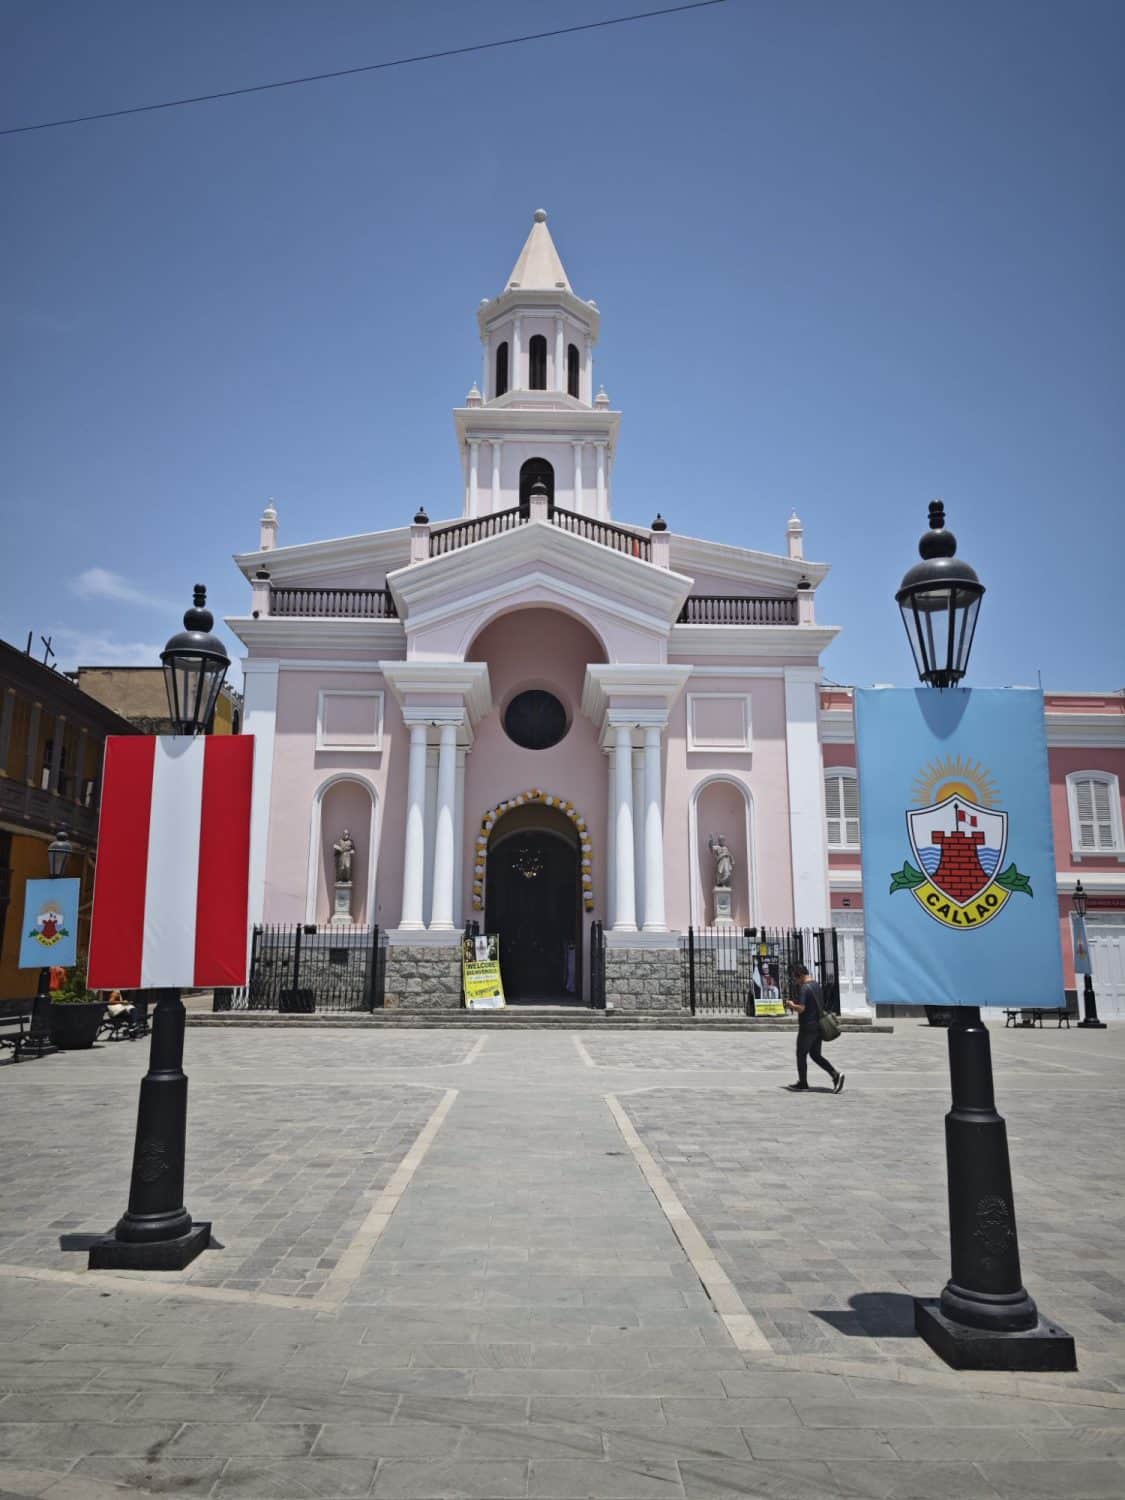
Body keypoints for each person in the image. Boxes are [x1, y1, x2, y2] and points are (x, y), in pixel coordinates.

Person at [784, 962, 844, 1094]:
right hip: (818, 1027)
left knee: (801, 1054)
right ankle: (835, 1075)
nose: (796, 981)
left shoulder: (804, 988)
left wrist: (791, 1005)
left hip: (807, 1027)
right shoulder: (816, 985)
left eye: (795, 978)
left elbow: (802, 1008)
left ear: (800, 975)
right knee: (815, 1055)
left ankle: (803, 1083)